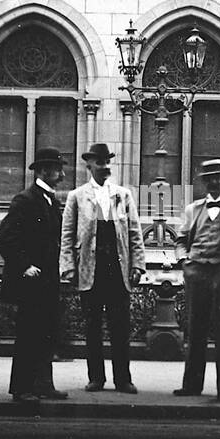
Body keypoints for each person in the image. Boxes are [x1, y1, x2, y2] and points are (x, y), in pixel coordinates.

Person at [60, 143, 145, 393]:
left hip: (117, 270)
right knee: (92, 327)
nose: (105, 166)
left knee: (120, 328)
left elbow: (134, 233)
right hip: (91, 270)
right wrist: (68, 267)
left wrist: (138, 265)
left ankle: (123, 379)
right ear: (89, 165)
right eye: (99, 162)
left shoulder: (122, 195)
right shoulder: (77, 196)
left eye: (108, 161)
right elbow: (67, 235)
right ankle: (96, 378)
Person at [0, 147, 69, 402]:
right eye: (57, 169)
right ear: (43, 171)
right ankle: (22, 388)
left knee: (46, 332)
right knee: (28, 335)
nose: (61, 174)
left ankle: (43, 385)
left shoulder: (51, 200)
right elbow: (6, 238)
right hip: (30, 281)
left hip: (47, 280)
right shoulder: (25, 200)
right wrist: (23, 266)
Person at [172, 158, 220, 397]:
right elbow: (180, 239)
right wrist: (184, 261)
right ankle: (191, 386)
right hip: (197, 271)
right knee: (195, 330)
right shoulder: (193, 209)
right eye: (209, 179)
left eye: (218, 177)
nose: (213, 182)